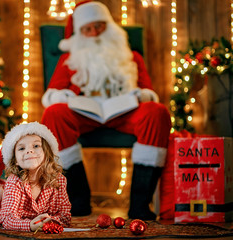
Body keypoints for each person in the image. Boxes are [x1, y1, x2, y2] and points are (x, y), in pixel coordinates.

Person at [41, 1, 171, 220]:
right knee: (53, 113)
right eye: (88, 29)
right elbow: (52, 94)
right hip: (84, 114)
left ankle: (140, 205)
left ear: (109, 26)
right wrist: (65, 97)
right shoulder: (69, 60)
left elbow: (148, 91)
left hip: (125, 113)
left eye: (99, 26)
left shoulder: (132, 57)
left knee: (156, 112)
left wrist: (141, 95)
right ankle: (78, 201)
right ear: (80, 33)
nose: (94, 33)